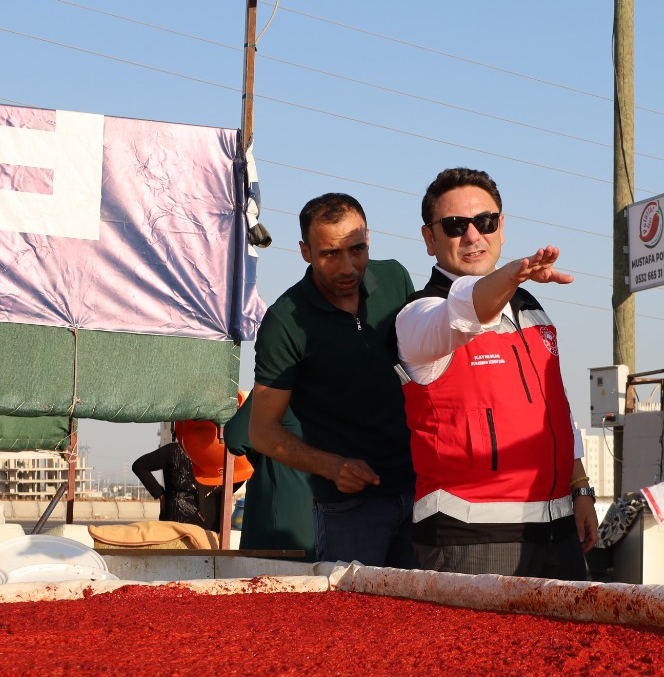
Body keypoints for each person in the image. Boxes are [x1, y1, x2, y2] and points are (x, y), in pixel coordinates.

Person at [395, 167, 597, 579]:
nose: (473, 236)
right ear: (429, 239)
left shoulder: (532, 308)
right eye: (454, 226)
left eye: (485, 222)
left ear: (501, 228)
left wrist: (581, 489)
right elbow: (468, 310)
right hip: (471, 539)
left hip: (559, 533)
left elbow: (554, 406)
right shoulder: (418, 315)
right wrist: (512, 274)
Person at [249, 193, 418, 567]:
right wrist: (332, 467)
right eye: (330, 254)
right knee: (354, 624)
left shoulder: (396, 278)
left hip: (423, 492)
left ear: (368, 238)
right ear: (305, 251)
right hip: (349, 510)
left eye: (357, 249)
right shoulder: (285, 322)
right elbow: (262, 431)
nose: (348, 267)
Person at [224, 395, 318, 560]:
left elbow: (236, 438)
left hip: (278, 522)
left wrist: (260, 450)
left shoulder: (281, 386)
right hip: (321, 524)